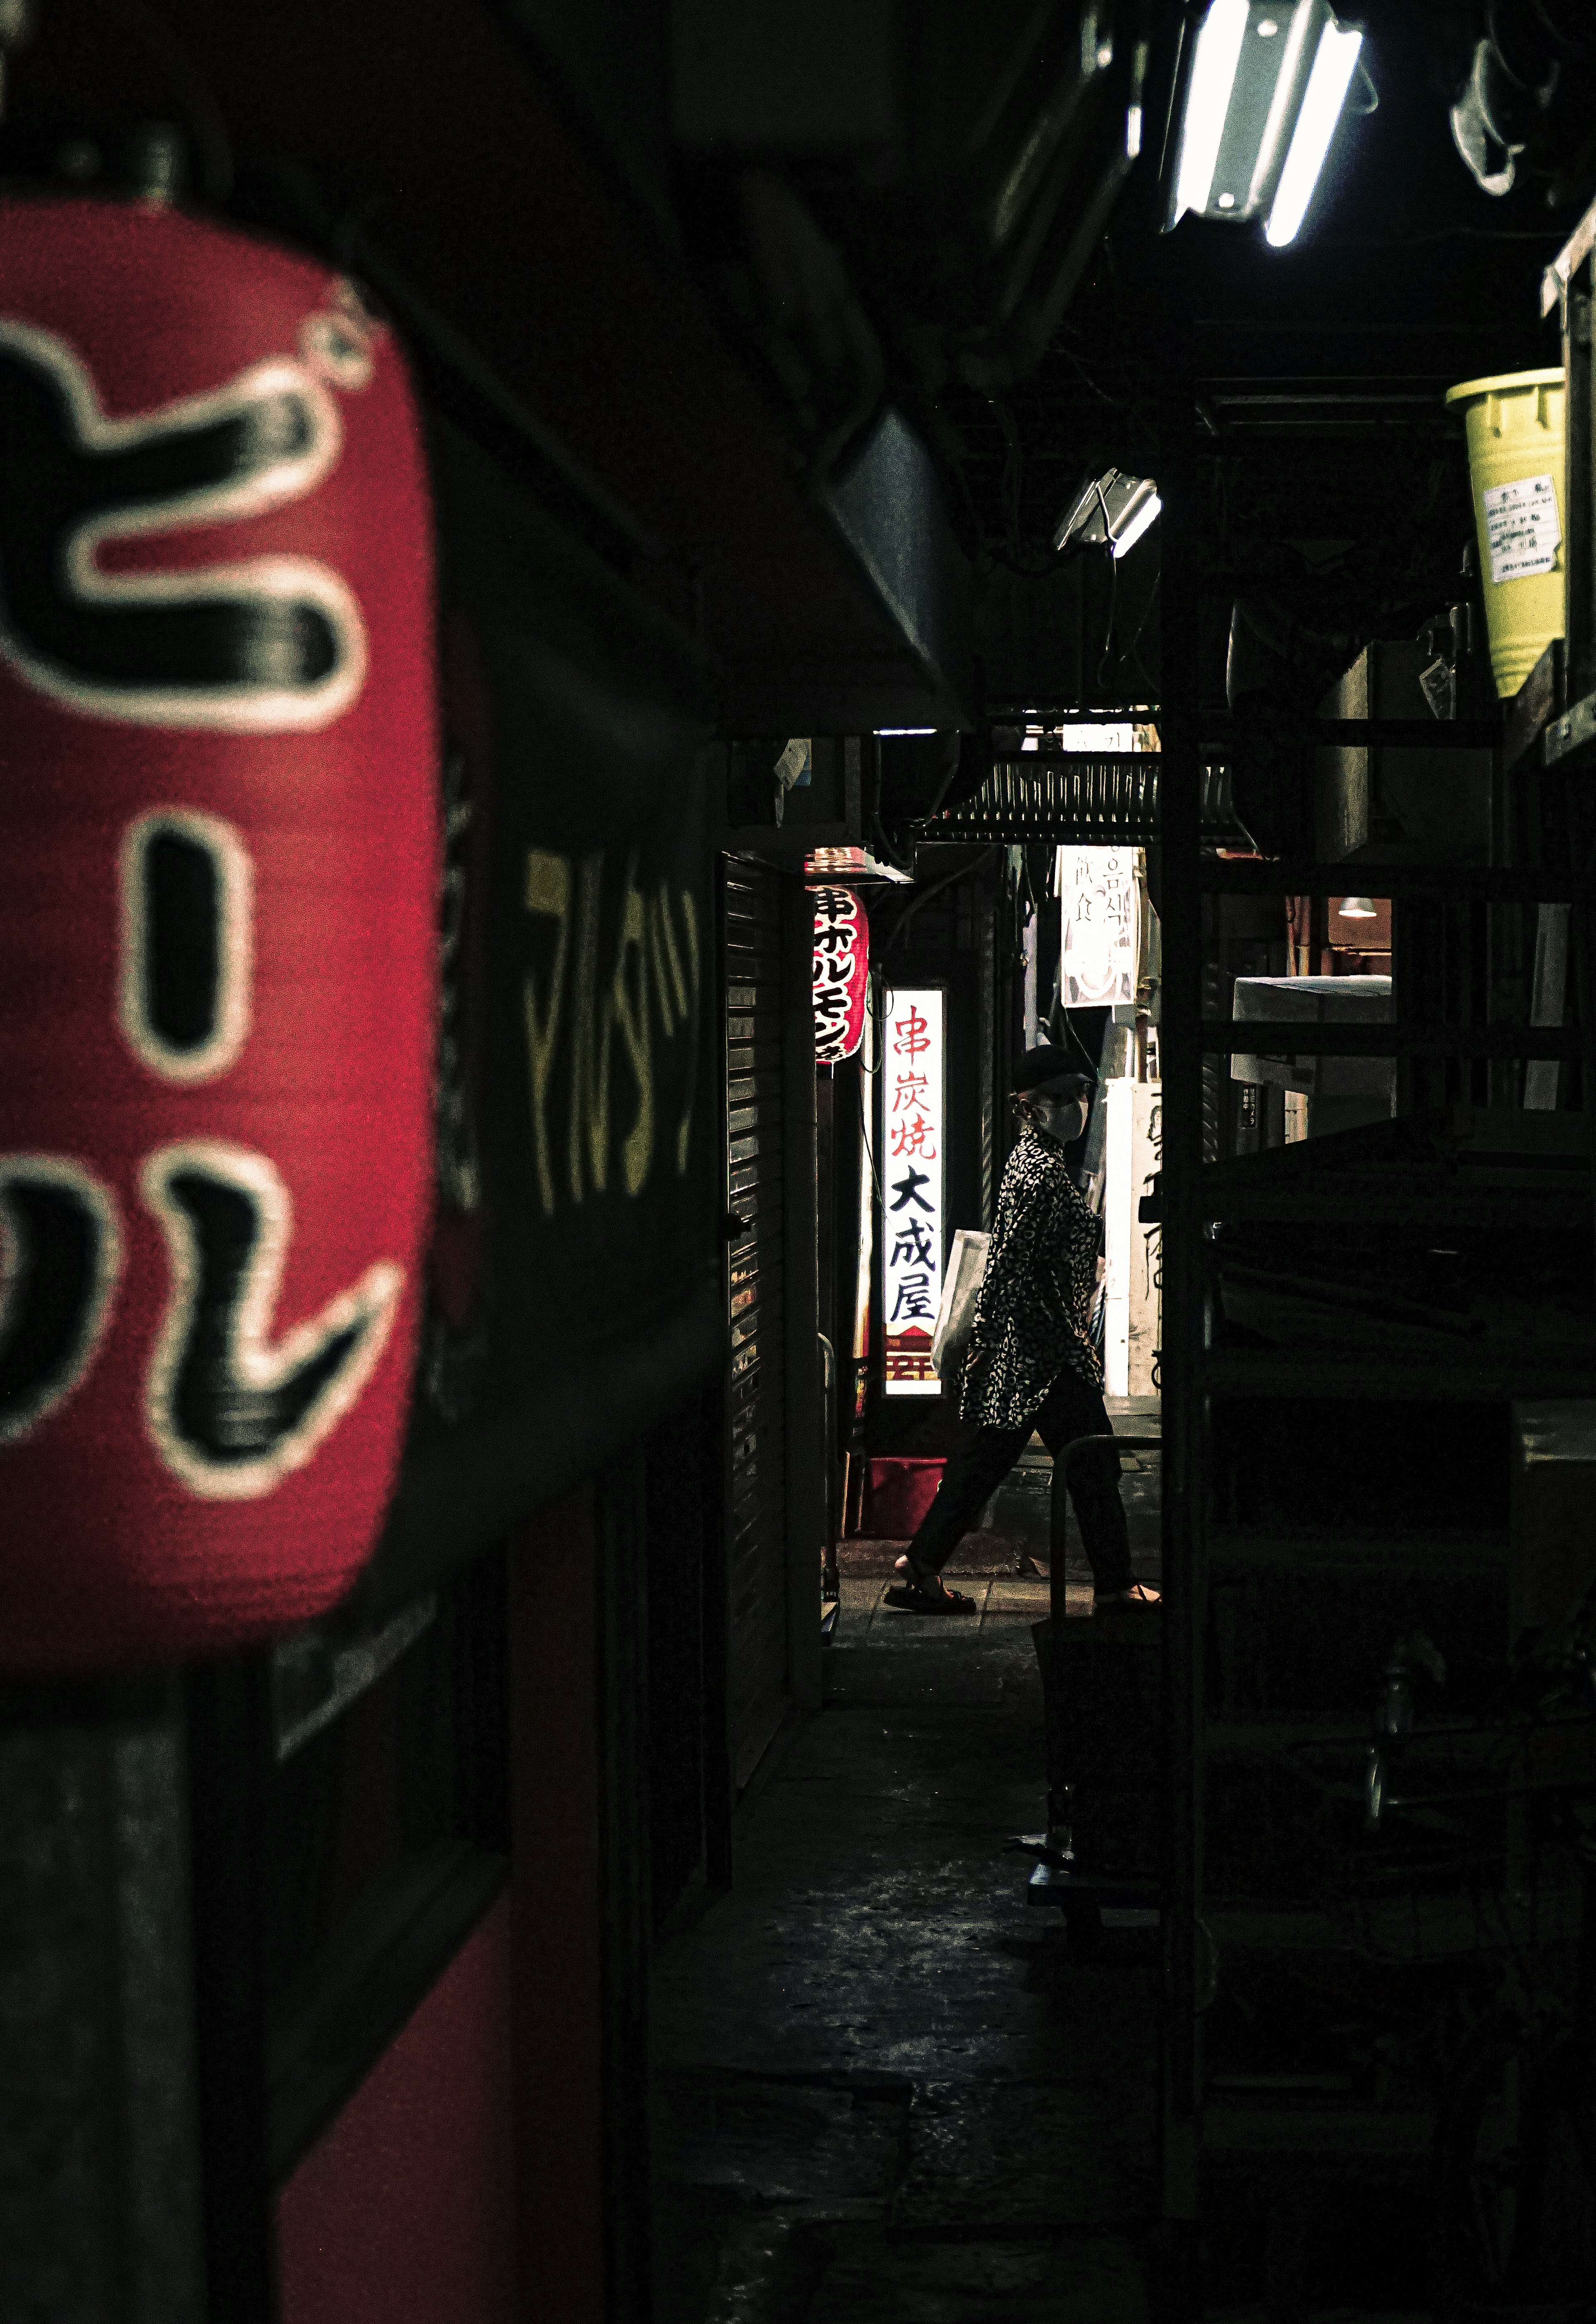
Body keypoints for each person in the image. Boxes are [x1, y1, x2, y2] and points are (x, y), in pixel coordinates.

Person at [887, 1043, 1160, 1615]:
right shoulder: (1038, 1175)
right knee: (1093, 1465)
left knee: (986, 1465)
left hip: (1034, 1352)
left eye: (1080, 1094)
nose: (1075, 1106)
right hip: (1045, 1353)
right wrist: (983, 1341)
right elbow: (1009, 1264)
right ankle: (1116, 1586)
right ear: (1029, 1107)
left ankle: (922, 1565)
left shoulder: (1034, 1162)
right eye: (1059, 1098)